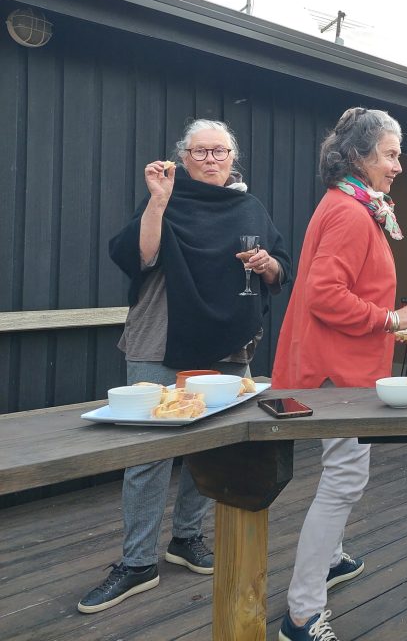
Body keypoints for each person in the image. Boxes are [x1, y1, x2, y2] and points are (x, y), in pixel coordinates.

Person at [79, 119, 291, 614]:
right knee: (148, 454)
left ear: (233, 158)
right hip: (161, 340)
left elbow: (282, 265)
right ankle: (136, 563)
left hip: (229, 346)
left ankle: (187, 538)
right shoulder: (166, 198)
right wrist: (156, 199)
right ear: (184, 157)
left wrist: (267, 265)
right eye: (200, 152)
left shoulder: (250, 207)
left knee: (212, 448)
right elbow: (139, 255)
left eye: (220, 151)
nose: (211, 159)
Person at [273, 108, 407, 641]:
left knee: (343, 471)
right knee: (345, 476)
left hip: (341, 366)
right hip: (334, 375)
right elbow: (324, 296)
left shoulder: (353, 204)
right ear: (359, 157)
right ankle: (301, 613)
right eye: (390, 155)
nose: (398, 166)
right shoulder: (348, 212)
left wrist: (391, 322)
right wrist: (390, 319)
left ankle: (334, 558)